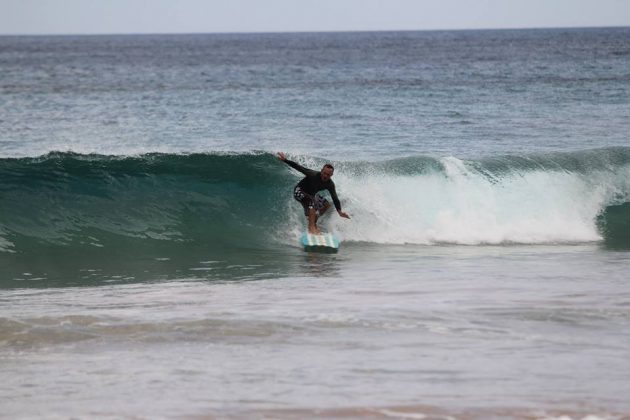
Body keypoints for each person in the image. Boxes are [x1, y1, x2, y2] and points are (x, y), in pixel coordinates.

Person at [278, 152, 350, 234]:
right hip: (299, 192)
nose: (325, 176)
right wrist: (285, 160)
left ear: (331, 175)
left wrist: (339, 211)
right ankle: (311, 228)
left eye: (328, 175)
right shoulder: (313, 174)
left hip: (311, 195)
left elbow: (335, 197)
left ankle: (314, 220)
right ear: (321, 171)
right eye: (324, 173)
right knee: (312, 203)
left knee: (326, 205)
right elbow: (299, 167)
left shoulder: (330, 184)